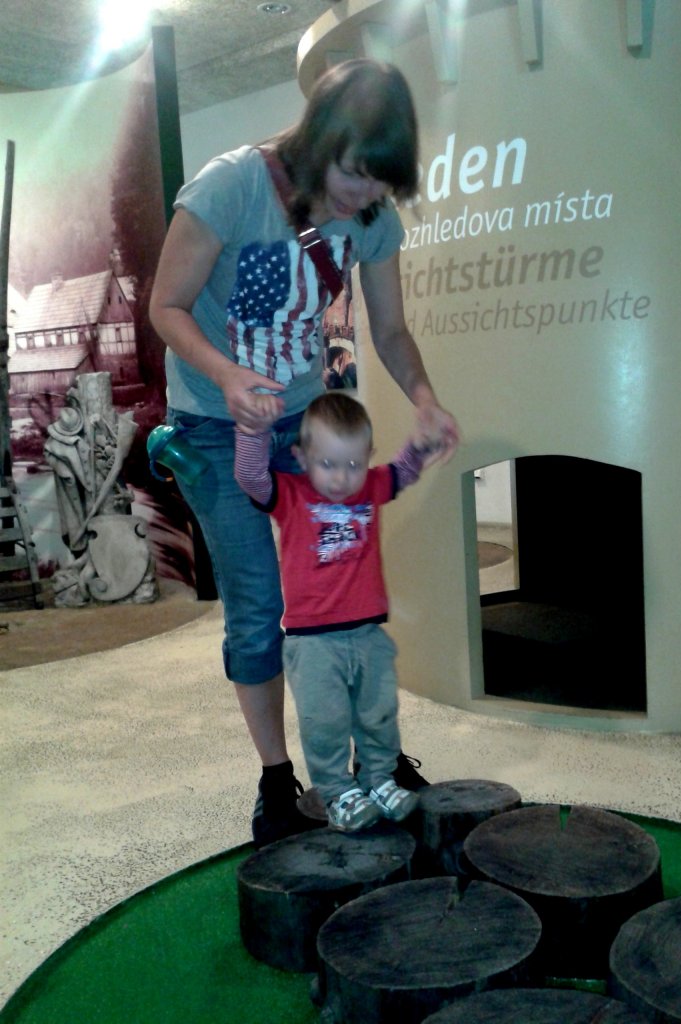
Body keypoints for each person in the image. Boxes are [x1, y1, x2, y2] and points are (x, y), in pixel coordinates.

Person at [148, 58, 459, 848]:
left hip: (304, 420)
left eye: (380, 183)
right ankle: (276, 778)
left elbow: (390, 330)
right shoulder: (231, 187)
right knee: (257, 609)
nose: (363, 196)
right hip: (216, 421)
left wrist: (425, 399)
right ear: (319, 137)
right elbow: (166, 306)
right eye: (354, 173)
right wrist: (227, 377)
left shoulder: (371, 216)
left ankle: (372, 760)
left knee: (344, 587)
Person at [235, 391, 441, 830]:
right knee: (325, 721)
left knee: (378, 714)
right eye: (327, 464)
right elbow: (251, 477)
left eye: (353, 464)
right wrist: (252, 433)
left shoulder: (370, 487)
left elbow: (403, 471)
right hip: (314, 643)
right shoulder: (291, 494)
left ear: (367, 458)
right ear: (302, 457)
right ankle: (337, 793)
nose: (342, 477)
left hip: (368, 634)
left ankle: (378, 779)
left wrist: (421, 444)